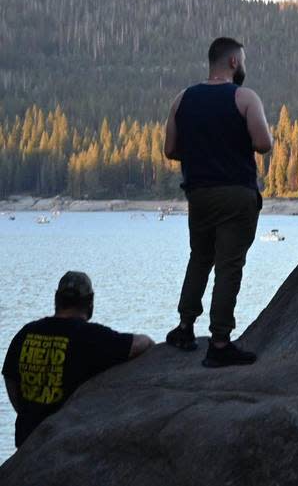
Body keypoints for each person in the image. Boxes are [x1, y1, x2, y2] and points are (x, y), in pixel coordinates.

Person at [162, 36, 273, 368]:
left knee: (200, 257)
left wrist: (202, 152)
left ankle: (184, 327)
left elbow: (170, 150)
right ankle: (220, 342)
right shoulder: (244, 97)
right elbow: (264, 143)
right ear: (234, 62)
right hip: (236, 193)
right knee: (229, 265)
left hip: (199, 194)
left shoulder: (182, 99)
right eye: (243, 60)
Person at [3, 272, 153, 448]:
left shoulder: (26, 333)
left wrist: (25, 412)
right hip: (66, 442)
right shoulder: (90, 337)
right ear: (90, 301)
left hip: (27, 440)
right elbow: (142, 344)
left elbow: (10, 377)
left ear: (57, 299)